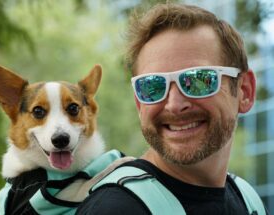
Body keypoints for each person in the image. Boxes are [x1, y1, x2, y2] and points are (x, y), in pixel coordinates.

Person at [76, 3, 268, 215]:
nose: (175, 105)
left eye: (198, 79)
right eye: (152, 86)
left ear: (245, 90)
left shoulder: (248, 200)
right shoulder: (115, 209)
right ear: (139, 103)